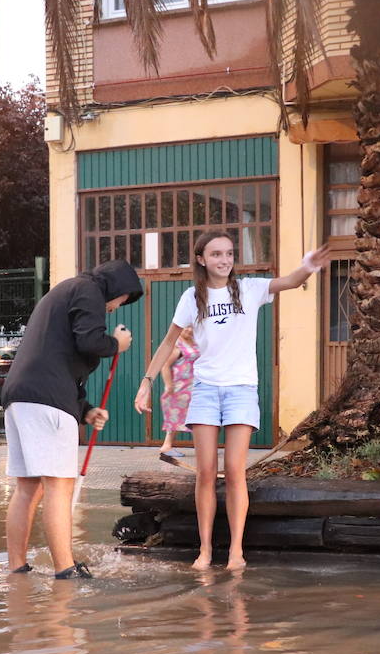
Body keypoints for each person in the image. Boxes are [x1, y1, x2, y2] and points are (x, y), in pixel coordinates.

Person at [134, 232, 330, 570]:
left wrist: (307, 267)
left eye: (228, 253)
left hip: (241, 389)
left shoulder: (251, 289)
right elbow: (168, 343)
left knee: (236, 471)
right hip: (205, 389)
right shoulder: (191, 297)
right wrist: (146, 382)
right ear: (201, 259)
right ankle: (205, 550)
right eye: (216, 254)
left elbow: (290, 281)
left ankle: (236, 551)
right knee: (206, 472)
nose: (224, 260)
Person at [3, 258, 142, 579]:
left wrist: (85, 410)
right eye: (123, 300)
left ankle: (17, 567)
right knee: (59, 485)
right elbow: (90, 342)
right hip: (47, 399)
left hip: (20, 397)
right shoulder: (89, 290)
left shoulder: (67, 291)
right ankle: (65, 569)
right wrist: (116, 344)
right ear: (118, 287)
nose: (117, 308)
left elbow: (59, 358)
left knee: (27, 487)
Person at [157, 326, 198, 459]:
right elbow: (165, 365)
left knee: (197, 416)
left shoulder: (195, 340)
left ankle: (202, 447)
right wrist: (169, 385)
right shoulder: (177, 344)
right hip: (180, 388)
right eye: (187, 328)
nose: (189, 330)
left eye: (192, 327)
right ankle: (167, 446)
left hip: (194, 386)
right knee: (176, 416)